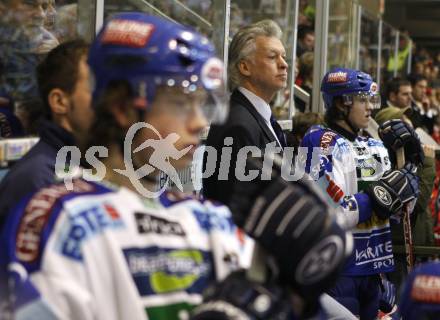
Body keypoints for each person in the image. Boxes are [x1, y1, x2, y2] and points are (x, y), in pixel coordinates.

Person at [0, 13, 351, 320]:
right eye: (182, 104)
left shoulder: (207, 221)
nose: (199, 123)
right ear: (123, 107)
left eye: (202, 105)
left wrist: (296, 296)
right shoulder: (57, 220)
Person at [300, 67, 421, 319]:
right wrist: (380, 196)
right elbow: (331, 214)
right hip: (339, 270)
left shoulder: (375, 144)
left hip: (376, 270)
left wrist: (410, 168)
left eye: (371, 100)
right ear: (340, 104)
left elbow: (400, 211)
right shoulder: (319, 141)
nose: (370, 108)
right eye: (362, 100)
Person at [0, 39, 92, 228]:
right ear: (59, 102)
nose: (111, 99)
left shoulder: (96, 163)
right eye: (96, 87)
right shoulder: (37, 180)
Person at [203, 19, 288, 205]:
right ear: (245, 67)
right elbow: (237, 207)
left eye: (283, 56)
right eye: (272, 57)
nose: (284, 64)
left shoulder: (255, 116)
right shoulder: (239, 125)